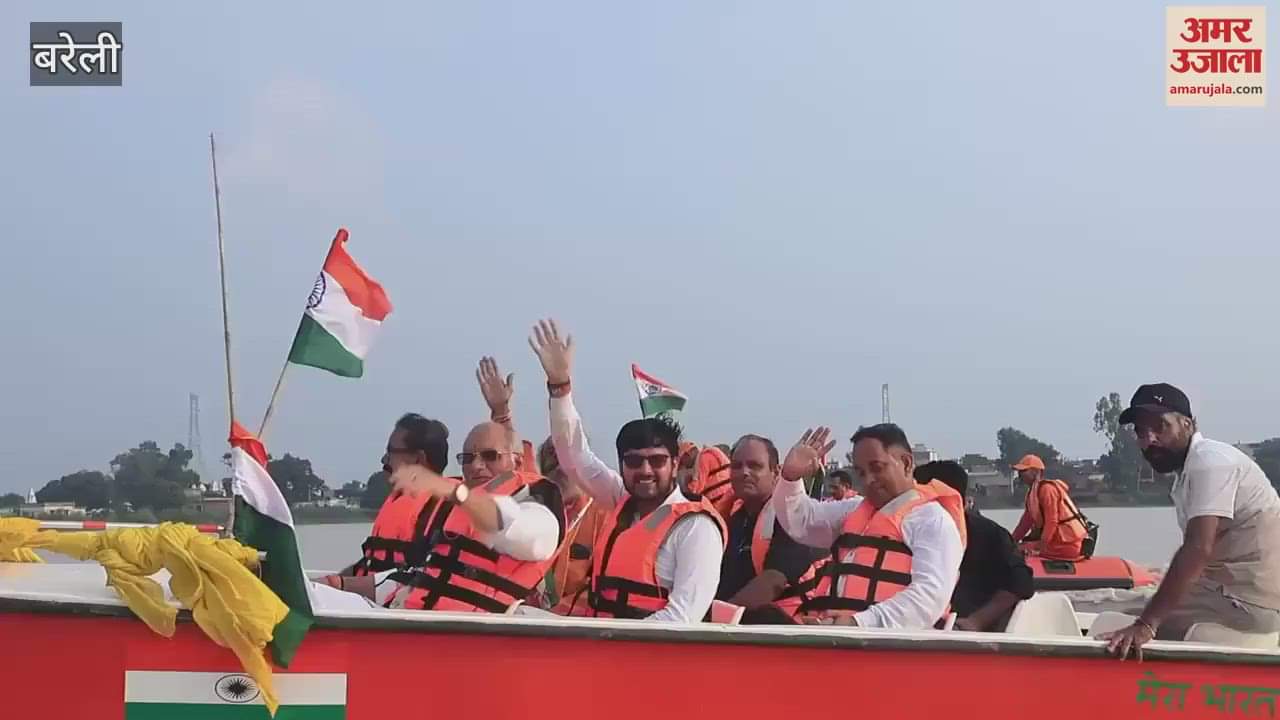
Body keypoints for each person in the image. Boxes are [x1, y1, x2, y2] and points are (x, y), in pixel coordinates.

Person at [530, 318, 726, 622]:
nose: (645, 470)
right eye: (634, 462)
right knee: (516, 614)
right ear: (621, 464)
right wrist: (560, 389)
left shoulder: (695, 528)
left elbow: (682, 618)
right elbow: (574, 455)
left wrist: (607, 646)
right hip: (600, 640)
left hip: (646, 655)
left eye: (657, 461)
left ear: (675, 464)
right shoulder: (621, 500)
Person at [1102, 384, 1280, 659]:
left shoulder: (1211, 463)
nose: (1149, 439)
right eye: (1140, 431)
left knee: (1109, 618)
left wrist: (1147, 624)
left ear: (1188, 423)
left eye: (1160, 426)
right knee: (1123, 604)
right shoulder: (1190, 470)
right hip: (1227, 594)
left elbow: (1198, 548)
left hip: (1247, 604)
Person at [773, 424, 966, 629]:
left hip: (892, 647)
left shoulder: (932, 520)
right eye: (861, 472)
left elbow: (930, 595)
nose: (868, 480)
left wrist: (859, 623)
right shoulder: (854, 510)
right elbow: (802, 522)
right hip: (835, 636)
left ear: (906, 463)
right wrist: (791, 477)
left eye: (877, 468)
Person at [378, 420, 565, 612]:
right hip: (413, 616)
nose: (476, 465)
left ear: (517, 461)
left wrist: (458, 494)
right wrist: (346, 584)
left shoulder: (538, 515)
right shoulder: (452, 513)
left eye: (490, 456)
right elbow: (417, 574)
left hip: (472, 629)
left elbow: (512, 529)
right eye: (467, 458)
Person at [915, 460, 1033, 632]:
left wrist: (976, 621)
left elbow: (1021, 582)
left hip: (966, 632)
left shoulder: (989, 534)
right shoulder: (910, 532)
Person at [717, 434, 825, 609]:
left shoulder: (792, 517)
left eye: (754, 466)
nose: (744, 472)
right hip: (731, 625)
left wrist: (717, 619)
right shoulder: (731, 517)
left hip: (780, 628)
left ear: (775, 473)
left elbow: (774, 581)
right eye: (736, 466)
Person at [341, 413, 452, 577]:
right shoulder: (399, 501)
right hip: (371, 598)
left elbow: (415, 581)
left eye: (391, 452)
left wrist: (338, 584)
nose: (384, 460)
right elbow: (371, 564)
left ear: (418, 459)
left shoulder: (448, 513)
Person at [1009, 454, 1087, 560]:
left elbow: (1052, 521)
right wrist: (1010, 542)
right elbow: (1025, 523)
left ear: (1036, 472)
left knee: (1018, 550)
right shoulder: (1033, 493)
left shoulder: (1047, 490)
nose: (1020, 474)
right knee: (1014, 548)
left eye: (1023, 471)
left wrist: (1041, 546)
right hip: (1055, 543)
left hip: (1066, 544)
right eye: (1019, 471)